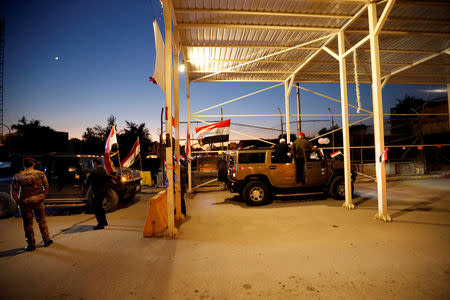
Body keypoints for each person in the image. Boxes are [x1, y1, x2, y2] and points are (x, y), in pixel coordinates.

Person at [10, 157, 53, 251]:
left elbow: (14, 191)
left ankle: (31, 245)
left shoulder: (18, 175)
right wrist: (43, 196)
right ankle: (46, 240)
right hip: (38, 200)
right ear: (33, 164)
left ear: (24, 165)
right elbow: (46, 186)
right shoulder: (40, 174)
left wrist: (17, 201)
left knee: (27, 224)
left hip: (25, 202)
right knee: (42, 220)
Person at [86, 158, 109, 230]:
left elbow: (87, 182)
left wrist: (87, 177)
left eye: (93, 163)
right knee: (101, 207)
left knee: (97, 208)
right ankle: (104, 221)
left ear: (95, 163)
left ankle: (100, 224)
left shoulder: (94, 172)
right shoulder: (103, 170)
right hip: (103, 191)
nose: (93, 164)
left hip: (96, 192)